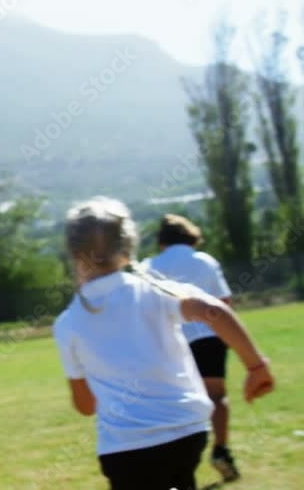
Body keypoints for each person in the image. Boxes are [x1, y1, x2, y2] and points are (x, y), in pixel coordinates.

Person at [52, 197, 274, 490]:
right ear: (128, 246)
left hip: (126, 450)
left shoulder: (68, 323)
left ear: (73, 253)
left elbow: (86, 405)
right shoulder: (154, 291)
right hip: (187, 432)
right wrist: (256, 367)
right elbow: (215, 311)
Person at [144, 213, 240, 481]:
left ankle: (177, 461)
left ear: (162, 240)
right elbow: (223, 304)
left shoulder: (149, 266)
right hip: (208, 337)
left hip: (171, 342)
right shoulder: (205, 261)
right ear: (190, 236)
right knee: (216, 395)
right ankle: (221, 450)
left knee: (176, 401)